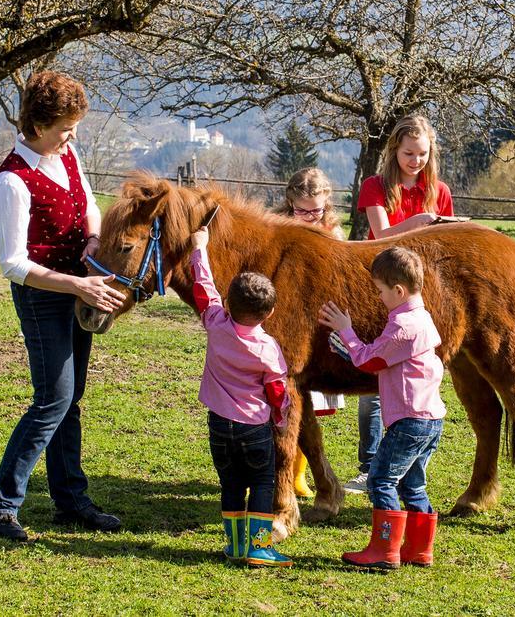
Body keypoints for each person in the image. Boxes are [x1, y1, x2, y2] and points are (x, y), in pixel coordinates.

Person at [0, 71, 126, 541]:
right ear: (38, 125)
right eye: (66, 127)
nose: (72, 136)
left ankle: (70, 500)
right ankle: (0, 507)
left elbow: (89, 205)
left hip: (77, 290)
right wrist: (77, 285)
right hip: (42, 297)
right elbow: (13, 264)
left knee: (72, 399)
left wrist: (93, 238)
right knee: (53, 399)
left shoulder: (66, 155)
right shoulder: (11, 183)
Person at [345, 114, 457, 495]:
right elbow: (380, 236)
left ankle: (409, 466)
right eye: (409, 153)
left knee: (420, 377)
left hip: (424, 294)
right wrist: (422, 221)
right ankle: (369, 463)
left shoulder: (438, 189)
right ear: (395, 150)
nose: (416, 161)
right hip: (384, 289)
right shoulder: (376, 187)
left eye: (423, 154)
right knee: (377, 379)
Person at [319, 246, 445, 570]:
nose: (378, 297)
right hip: (430, 418)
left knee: (380, 480)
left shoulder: (403, 326)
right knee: (412, 483)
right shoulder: (422, 316)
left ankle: (384, 548)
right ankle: (419, 549)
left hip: (409, 422)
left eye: (380, 291)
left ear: (399, 290)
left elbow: (369, 359)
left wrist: (345, 330)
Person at [190, 225, 294, 568]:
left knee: (231, 483)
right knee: (263, 484)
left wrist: (199, 248)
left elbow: (204, 287)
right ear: (269, 314)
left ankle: (235, 545)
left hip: (219, 425)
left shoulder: (215, 321)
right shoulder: (268, 349)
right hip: (254, 428)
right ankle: (260, 547)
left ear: (229, 303)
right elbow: (278, 393)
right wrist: (280, 423)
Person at [276, 167, 345, 497]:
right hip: (290, 320)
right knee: (292, 402)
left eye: (315, 210)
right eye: (302, 210)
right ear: (290, 203)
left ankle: (300, 473)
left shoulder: (333, 231)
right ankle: (289, 473)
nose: (308, 216)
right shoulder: (278, 228)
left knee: (312, 403)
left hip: (322, 323)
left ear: (326, 203)